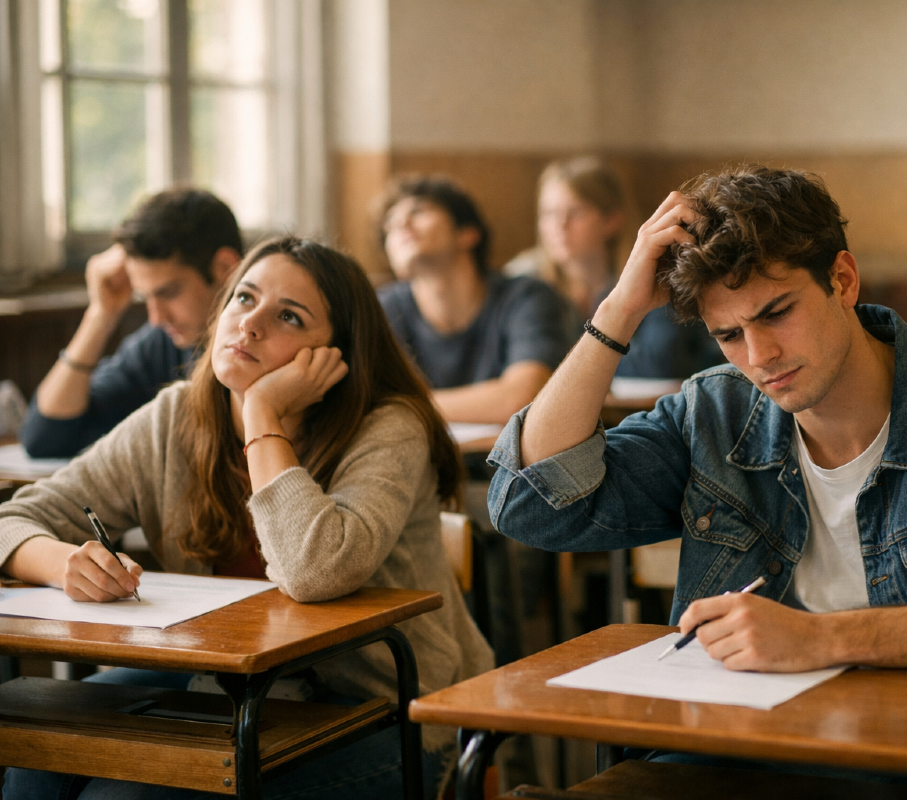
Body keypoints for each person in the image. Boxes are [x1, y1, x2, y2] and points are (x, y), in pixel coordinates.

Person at [486, 166, 907, 800]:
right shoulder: (714, 413)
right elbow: (529, 505)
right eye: (729, 334)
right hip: (734, 753)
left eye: (777, 313)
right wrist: (618, 311)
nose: (759, 355)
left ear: (842, 280)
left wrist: (820, 639)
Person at [0, 237, 493, 799]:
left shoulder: (388, 427)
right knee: (35, 761)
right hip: (224, 682)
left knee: (126, 798)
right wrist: (62, 560)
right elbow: (13, 519)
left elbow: (313, 572)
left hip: (386, 707)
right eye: (243, 298)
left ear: (336, 355)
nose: (250, 323)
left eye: (288, 316)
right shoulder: (173, 418)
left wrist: (262, 412)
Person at [21, 188, 245, 458]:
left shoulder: (267, 347)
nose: (156, 317)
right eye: (145, 296)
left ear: (226, 268)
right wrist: (101, 315)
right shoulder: (161, 343)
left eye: (168, 293)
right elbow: (44, 438)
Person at [507, 156, 725, 379]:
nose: (560, 225)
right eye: (549, 214)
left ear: (612, 220)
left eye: (576, 212)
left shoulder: (652, 268)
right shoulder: (522, 280)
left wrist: (557, 363)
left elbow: (660, 363)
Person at [376, 174, 569, 424]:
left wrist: (404, 406)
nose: (401, 223)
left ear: (468, 233)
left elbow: (523, 397)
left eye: (419, 211)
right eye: (389, 224)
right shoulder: (382, 309)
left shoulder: (526, 297)